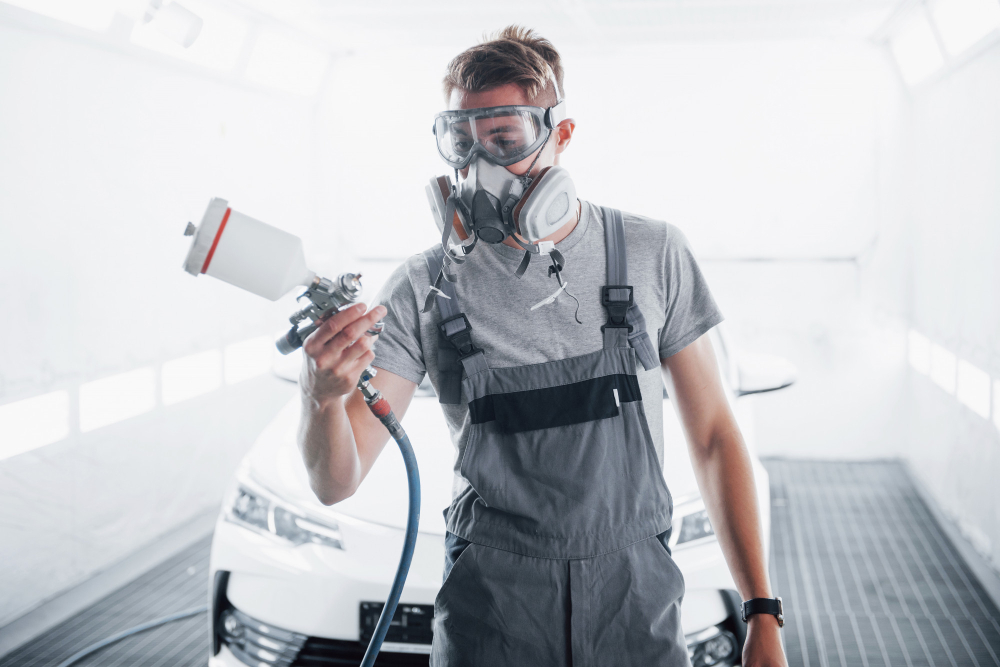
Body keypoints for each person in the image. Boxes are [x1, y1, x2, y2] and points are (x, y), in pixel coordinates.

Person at [297, 25, 788, 667]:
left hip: (635, 606)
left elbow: (716, 438)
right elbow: (337, 483)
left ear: (561, 134)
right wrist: (321, 398)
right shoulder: (424, 286)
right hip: (494, 616)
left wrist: (762, 612)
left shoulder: (649, 252)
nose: (480, 170)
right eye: (462, 143)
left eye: (504, 140)